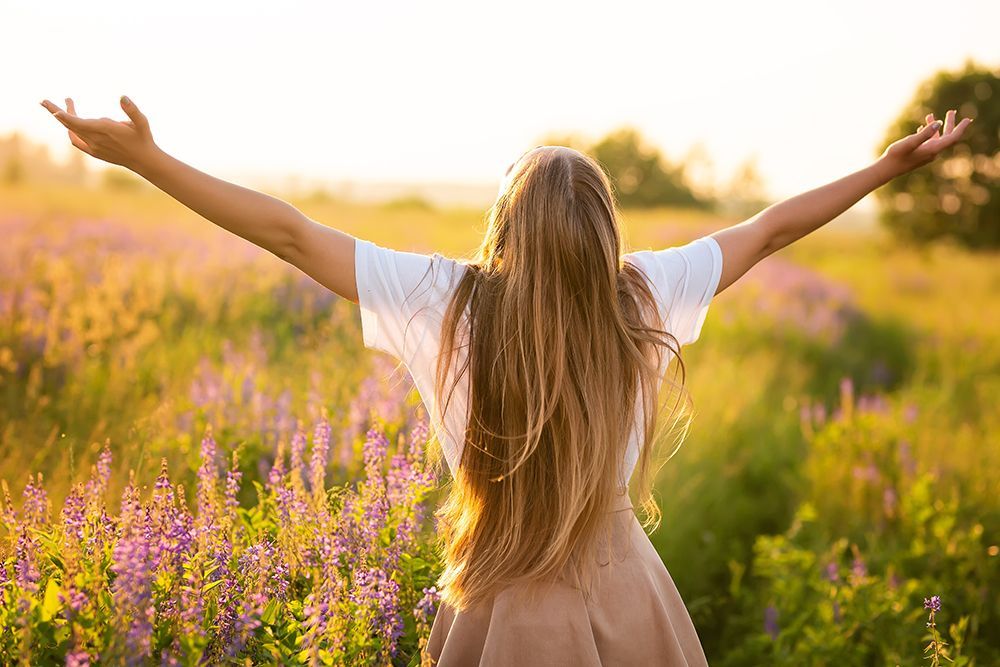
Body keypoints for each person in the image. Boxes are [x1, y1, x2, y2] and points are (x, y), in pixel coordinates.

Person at [41, 95, 972, 665]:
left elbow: (288, 233)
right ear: (606, 233)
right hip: (626, 589)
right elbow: (769, 229)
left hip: (500, 595)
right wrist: (887, 169)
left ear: (502, 226)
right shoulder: (642, 292)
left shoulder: (446, 300)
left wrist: (149, 160)